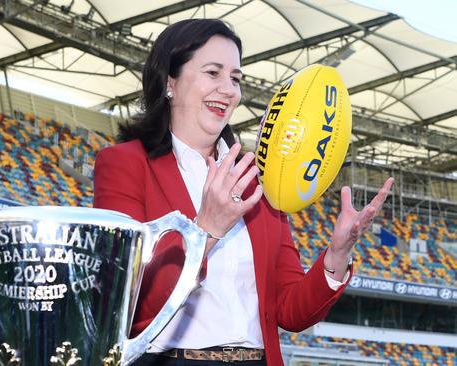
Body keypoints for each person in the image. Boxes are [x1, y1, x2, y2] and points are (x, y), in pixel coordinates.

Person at [93, 18, 394, 366]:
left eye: (235, 79)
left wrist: (337, 255)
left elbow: (290, 311)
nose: (229, 90)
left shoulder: (259, 180)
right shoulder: (125, 164)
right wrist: (206, 230)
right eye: (213, 73)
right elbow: (124, 294)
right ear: (170, 81)